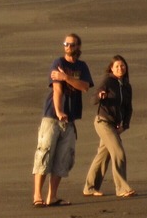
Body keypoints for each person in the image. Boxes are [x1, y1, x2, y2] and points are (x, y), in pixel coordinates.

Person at [31, 33, 93, 207]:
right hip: (52, 117)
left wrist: (66, 78)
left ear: (78, 47)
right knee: (44, 153)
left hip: (70, 118)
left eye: (72, 44)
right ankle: (37, 195)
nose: (68, 47)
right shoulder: (59, 63)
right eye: (66, 44)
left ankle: (52, 196)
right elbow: (57, 90)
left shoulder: (82, 66)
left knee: (63, 158)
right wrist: (59, 111)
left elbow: (85, 87)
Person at [83, 55, 136, 198]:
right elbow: (93, 99)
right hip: (103, 122)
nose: (120, 68)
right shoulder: (108, 81)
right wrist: (100, 96)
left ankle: (90, 187)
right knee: (119, 153)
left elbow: (128, 108)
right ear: (111, 68)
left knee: (102, 156)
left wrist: (125, 125)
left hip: (114, 125)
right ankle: (122, 188)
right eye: (117, 66)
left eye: (122, 65)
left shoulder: (126, 86)